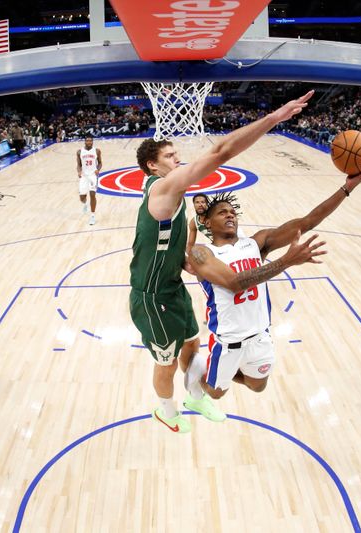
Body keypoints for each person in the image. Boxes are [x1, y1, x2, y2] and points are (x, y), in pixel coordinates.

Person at [129, 91, 316, 434]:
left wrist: (186, 258)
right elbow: (221, 151)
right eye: (171, 156)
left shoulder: (172, 195)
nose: (178, 161)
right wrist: (275, 117)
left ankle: (196, 396)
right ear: (153, 166)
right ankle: (166, 411)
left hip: (172, 285)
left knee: (192, 343)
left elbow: (177, 238)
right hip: (152, 296)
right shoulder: (162, 189)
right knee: (166, 361)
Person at [185, 161, 361, 405]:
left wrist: (347, 188)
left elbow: (307, 222)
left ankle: (222, 373)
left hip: (260, 337)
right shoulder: (202, 253)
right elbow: (233, 283)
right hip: (228, 342)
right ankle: (202, 367)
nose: (230, 214)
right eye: (222, 212)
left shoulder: (256, 243)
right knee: (216, 393)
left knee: (257, 386)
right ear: (207, 223)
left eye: (233, 212)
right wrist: (285, 261)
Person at [76, 135, 102, 226]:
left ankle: (92, 216)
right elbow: (79, 164)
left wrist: (98, 170)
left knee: (92, 194)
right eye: (87, 141)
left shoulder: (97, 151)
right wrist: (79, 171)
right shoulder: (79, 152)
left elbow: (100, 163)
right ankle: (85, 204)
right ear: (85, 142)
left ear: (92, 142)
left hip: (92, 175)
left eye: (91, 141)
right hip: (84, 176)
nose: (89, 142)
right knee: (82, 197)